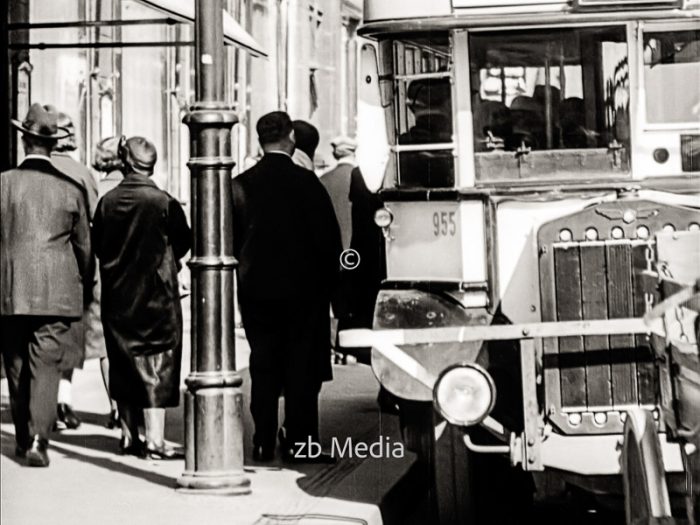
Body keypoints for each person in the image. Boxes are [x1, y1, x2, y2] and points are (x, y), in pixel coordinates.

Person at [232, 111, 342, 463]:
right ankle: (300, 440)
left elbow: (228, 242)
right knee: (302, 369)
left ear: (258, 139)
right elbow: (329, 243)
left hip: (256, 291)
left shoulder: (239, 184)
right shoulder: (308, 183)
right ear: (291, 137)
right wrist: (334, 291)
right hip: (303, 293)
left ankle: (262, 439)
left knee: (262, 364)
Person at [1, 103, 92, 467]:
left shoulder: (3, 184)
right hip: (57, 291)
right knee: (47, 363)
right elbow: (85, 246)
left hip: (9, 288)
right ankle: (40, 437)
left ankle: (23, 436)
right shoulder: (70, 189)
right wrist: (84, 283)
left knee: (16, 362)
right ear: (52, 145)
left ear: (24, 140)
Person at [92, 136, 191, 459]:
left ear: (125, 161)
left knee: (122, 362)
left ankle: (127, 434)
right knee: (159, 365)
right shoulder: (164, 202)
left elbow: (98, 244)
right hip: (157, 296)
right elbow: (184, 241)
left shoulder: (107, 202)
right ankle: (156, 440)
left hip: (119, 294)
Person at [48, 110, 99, 431]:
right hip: (71, 270)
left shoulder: (24, 171)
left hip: (31, 274)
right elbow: (93, 223)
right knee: (67, 340)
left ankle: (41, 403)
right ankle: (62, 402)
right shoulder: (81, 174)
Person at [320, 136, 386, 364]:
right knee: (358, 296)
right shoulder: (367, 179)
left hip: (334, 252)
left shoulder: (323, 180)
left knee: (334, 299)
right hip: (358, 252)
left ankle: (336, 343)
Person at [88, 136, 124, 428]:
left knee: (105, 345)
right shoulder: (137, 188)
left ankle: (115, 405)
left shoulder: (96, 191)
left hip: (102, 273)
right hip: (135, 275)